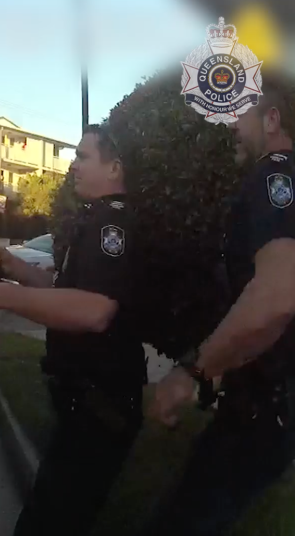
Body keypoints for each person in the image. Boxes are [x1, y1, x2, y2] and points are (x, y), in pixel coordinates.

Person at [0, 125, 145, 536]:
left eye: (83, 157)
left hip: (101, 410)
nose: (73, 165)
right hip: (84, 404)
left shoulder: (115, 228)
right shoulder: (97, 220)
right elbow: (69, 294)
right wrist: (13, 268)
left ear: (115, 167)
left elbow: (94, 311)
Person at [147, 73, 295, 536]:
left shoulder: (274, 176)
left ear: (271, 119)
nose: (232, 125)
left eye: (242, 114)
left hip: (263, 410)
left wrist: (193, 372)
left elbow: (275, 298)